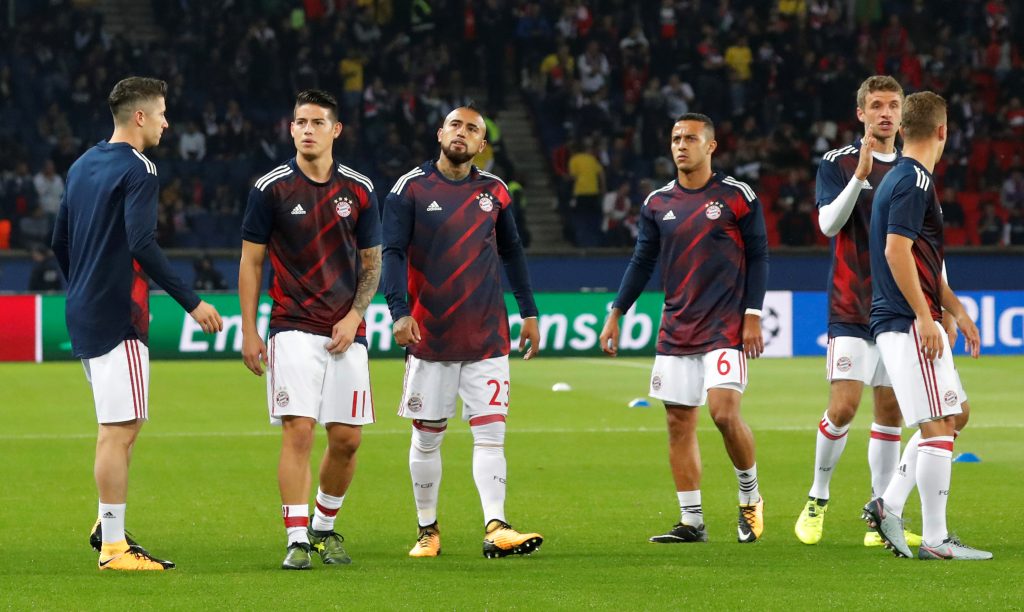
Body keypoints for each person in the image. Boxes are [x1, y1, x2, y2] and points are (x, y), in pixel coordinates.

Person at [51, 76, 223, 571]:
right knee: (118, 430)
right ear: (140, 116)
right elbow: (142, 243)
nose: (168, 122)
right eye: (163, 112)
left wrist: (82, 283)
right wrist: (191, 301)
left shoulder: (83, 164)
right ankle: (113, 548)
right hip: (118, 314)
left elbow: (60, 240)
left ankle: (107, 525)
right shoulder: (140, 168)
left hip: (84, 309)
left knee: (124, 423)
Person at [381, 105, 543, 559]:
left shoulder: (495, 191)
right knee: (428, 436)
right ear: (440, 133)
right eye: (456, 124)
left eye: (473, 129)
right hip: (429, 336)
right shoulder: (410, 188)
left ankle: (496, 525)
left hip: (487, 335)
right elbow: (391, 252)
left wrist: (528, 310)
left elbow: (512, 254)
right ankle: (427, 530)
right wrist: (399, 311)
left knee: (491, 434)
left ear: (482, 145)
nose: (462, 133)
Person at [599, 113, 769, 544]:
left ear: (710, 146)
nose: (681, 145)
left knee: (724, 413)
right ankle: (692, 521)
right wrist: (617, 312)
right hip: (677, 327)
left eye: (690, 138)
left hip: (725, 325)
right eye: (675, 138)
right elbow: (642, 261)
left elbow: (760, 256)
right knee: (678, 423)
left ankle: (750, 499)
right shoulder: (657, 202)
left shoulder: (737, 196)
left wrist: (753, 314)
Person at [239, 89, 382, 570]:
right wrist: (250, 331)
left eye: (317, 122)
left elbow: (372, 264)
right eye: (299, 121)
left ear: (335, 130)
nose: (306, 130)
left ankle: (323, 525)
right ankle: (296, 537)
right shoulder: (271, 187)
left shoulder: (360, 189)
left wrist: (354, 316)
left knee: (347, 440)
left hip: (346, 331)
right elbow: (250, 261)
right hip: (292, 327)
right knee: (298, 432)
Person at [863, 91, 991, 560]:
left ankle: (887, 503)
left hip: (910, 317)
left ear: (902, 128)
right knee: (937, 426)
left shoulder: (905, 179)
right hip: (905, 321)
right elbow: (897, 252)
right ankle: (936, 540)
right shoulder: (914, 182)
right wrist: (924, 315)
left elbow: (924, 261)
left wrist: (953, 308)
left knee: (955, 416)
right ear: (942, 131)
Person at [794, 76, 920, 547]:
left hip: (898, 309)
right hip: (851, 304)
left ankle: (879, 513)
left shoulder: (914, 169)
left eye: (893, 105)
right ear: (861, 114)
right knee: (844, 406)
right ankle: (817, 496)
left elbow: (925, 243)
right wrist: (860, 177)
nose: (886, 113)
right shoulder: (839, 162)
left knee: (889, 412)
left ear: (903, 114)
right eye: (876, 106)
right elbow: (828, 225)